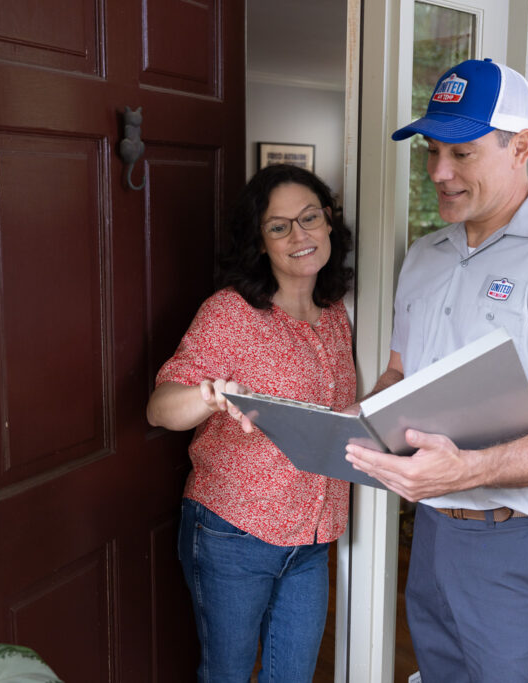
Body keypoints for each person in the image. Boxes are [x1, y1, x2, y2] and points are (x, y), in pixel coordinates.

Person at [344, 58, 528, 682]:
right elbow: (400, 373)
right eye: (433, 150)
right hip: (435, 533)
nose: (439, 173)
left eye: (463, 153)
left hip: (521, 544)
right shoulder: (425, 255)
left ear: (520, 147)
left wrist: (470, 468)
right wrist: (362, 421)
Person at [146, 163, 356, 682]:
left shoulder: (336, 314)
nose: (299, 235)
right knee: (228, 675)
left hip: (311, 537)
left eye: (309, 218)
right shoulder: (231, 314)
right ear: (261, 242)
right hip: (234, 533)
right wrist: (209, 396)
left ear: (329, 221)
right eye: (279, 226)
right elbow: (160, 407)